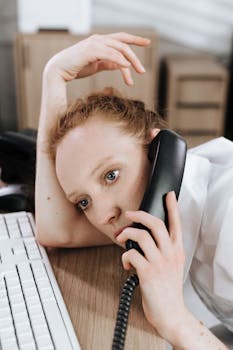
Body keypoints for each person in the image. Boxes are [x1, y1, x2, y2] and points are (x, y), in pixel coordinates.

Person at [35, 32, 233, 349]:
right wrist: (53, 76)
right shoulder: (154, 210)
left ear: (158, 154)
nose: (102, 215)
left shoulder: (229, 218)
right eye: (83, 201)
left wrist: (176, 322)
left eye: (111, 175)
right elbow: (56, 230)